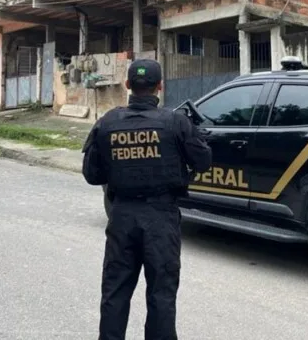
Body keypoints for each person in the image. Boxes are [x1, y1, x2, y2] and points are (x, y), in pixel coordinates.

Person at [81, 59, 212, 340]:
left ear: (128, 85)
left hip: (122, 217)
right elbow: (203, 161)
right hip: (161, 219)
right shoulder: (176, 122)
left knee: (115, 292)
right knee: (161, 295)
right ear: (160, 87)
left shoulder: (107, 122)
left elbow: (92, 175)